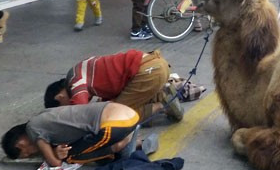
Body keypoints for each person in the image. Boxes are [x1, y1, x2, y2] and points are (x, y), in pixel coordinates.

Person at [43, 49, 183, 122]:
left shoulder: (75, 81)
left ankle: (161, 105)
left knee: (115, 115)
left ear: (60, 96)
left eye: (63, 108)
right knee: (112, 105)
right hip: (157, 64)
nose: (68, 108)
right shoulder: (79, 70)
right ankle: (160, 94)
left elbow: (80, 113)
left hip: (148, 73)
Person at [1, 101, 140, 167]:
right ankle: (133, 141)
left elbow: (55, 162)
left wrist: (56, 155)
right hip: (126, 115)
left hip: (114, 125)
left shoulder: (33, 129)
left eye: (27, 154)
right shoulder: (42, 118)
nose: (33, 154)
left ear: (21, 143)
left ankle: (121, 145)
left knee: (71, 157)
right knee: (78, 149)